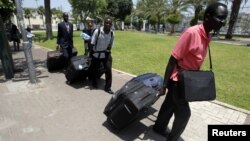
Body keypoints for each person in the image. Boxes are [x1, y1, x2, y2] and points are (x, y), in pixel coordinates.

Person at [152, 2, 228, 141]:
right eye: (220, 18)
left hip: (188, 80)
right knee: (184, 115)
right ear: (207, 16)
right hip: (178, 81)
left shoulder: (206, 35)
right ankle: (172, 138)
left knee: (169, 105)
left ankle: (158, 127)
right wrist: (164, 85)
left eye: (225, 19)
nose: (222, 22)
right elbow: (172, 59)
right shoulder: (192, 33)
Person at [88, 17, 114, 94]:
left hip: (105, 53)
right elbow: (92, 44)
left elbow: (110, 45)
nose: (108, 24)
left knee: (108, 69)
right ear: (104, 23)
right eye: (106, 23)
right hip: (96, 54)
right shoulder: (97, 31)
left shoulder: (112, 33)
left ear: (111, 24)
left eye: (109, 23)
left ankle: (108, 87)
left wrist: (108, 52)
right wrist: (90, 56)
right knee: (94, 69)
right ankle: (94, 82)